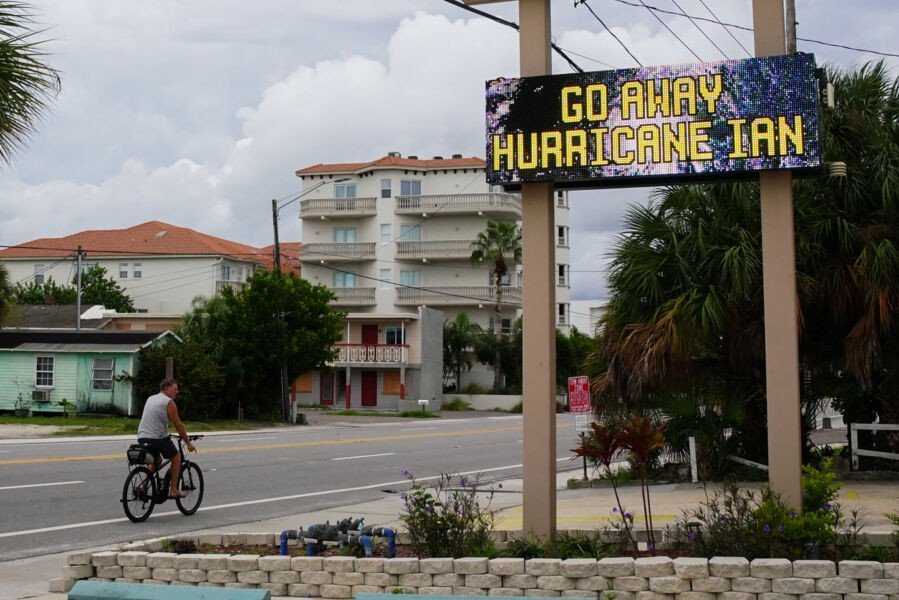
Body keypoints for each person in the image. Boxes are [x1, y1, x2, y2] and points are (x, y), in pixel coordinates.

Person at [137, 378, 196, 498]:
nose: (177, 392)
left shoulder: (151, 398)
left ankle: (143, 487)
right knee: (177, 457)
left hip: (142, 437)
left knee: (157, 461)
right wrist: (188, 443)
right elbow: (178, 425)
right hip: (157, 438)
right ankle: (173, 490)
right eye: (175, 389)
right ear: (166, 388)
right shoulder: (168, 402)